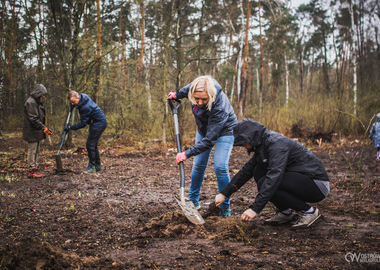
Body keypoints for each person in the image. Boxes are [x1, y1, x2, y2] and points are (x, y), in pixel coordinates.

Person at [215, 119, 330, 229]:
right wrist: (225, 194)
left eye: (243, 143)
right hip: (300, 179)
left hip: (316, 184)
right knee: (258, 171)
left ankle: (310, 211)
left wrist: (254, 209)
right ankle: (285, 212)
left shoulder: (276, 144)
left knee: (268, 182)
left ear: (251, 137)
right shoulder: (262, 146)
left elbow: (274, 177)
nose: (243, 146)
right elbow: (245, 172)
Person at [167, 75, 237, 217]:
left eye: (204, 100)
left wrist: (186, 153)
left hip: (225, 131)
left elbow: (210, 139)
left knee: (220, 166)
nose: (199, 102)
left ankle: (224, 207)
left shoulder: (219, 106)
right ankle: (193, 201)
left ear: (211, 96)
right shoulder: (195, 86)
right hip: (204, 130)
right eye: (196, 99)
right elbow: (185, 91)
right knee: (198, 164)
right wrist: (176, 94)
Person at [65, 91, 107, 173]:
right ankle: (97, 165)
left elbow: (83, 124)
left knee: (90, 144)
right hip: (97, 122)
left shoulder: (85, 107)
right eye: (71, 103)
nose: (73, 104)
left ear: (78, 98)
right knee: (93, 145)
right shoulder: (83, 98)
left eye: (73, 102)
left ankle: (92, 166)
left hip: (98, 123)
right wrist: (73, 105)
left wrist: (70, 127)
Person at [23, 84, 52, 178]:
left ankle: (34, 168)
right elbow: (33, 119)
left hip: (37, 131)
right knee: (32, 150)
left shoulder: (37, 102)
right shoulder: (31, 102)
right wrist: (43, 128)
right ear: (38, 93)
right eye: (42, 94)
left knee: (36, 150)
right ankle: (32, 170)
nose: (43, 96)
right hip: (31, 131)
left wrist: (43, 128)